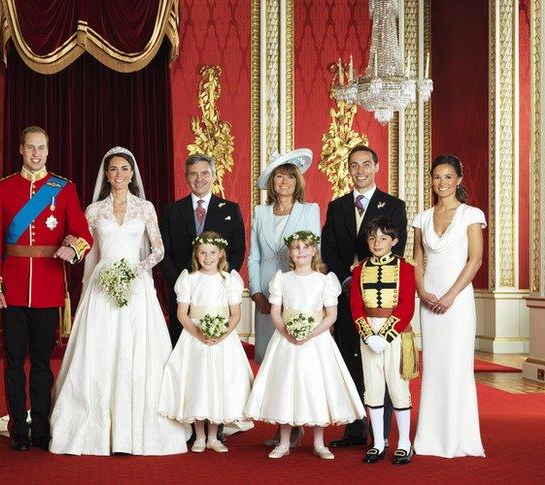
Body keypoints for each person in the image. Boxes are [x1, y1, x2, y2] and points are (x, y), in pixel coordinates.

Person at [49, 147, 187, 456]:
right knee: (99, 351)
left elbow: (159, 249)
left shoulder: (145, 208)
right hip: (101, 286)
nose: (119, 174)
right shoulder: (94, 210)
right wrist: (74, 250)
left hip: (137, 286)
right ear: (106, 174)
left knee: (136, 352)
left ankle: (136, 430)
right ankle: (94, 430)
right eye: (113, 169)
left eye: (125, 169)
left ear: (132, 173)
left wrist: (136, 270)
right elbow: (86, 248)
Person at [0, 126, 92, 451]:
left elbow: (83, 234)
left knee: (43, 364)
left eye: (41, 148)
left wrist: (73, 249)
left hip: (47, 288)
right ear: (21, 149)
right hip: (12, 288)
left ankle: (42, 429)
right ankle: (19, 429)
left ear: (47, 150)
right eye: (31, 148)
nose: (36, 154)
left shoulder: (64, 188)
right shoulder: (3, 189)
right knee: (14, 363)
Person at [243, 231, 365, 460]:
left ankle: (319, 442)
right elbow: (275, 312)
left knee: (315, 387)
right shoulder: (282, 279)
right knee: (285, 387)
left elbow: (331, 315)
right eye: (296, 247)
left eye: (305, 247)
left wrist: (310, 334)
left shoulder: (324, 280)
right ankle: (284, 442)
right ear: (289, 252)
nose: (301, 251)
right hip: (286, 341)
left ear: (313, 252)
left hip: (316, 342)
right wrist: (287, 332)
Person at [321, 145, 405, 448]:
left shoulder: (394, 206)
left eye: (366, 165)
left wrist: (365, 276)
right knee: (350, 360)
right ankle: (355, 430)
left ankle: (380, 433)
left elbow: (399, 247)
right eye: (354, 165)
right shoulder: (337, 206)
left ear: (377, 167)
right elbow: (328, 247)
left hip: (380, 299)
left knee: (379, 362)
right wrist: (347, 278)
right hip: (346, 295)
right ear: (348, 169)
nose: (360, 171)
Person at [412, 155, 486, 458]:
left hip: (457, 302)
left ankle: (459, 437)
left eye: (447, 177)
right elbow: (417, 260)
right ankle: (429, 438)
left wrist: (451, 295)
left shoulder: (471, 214)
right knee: (434, 367)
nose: (441, 183)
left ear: (458, 179)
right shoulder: (422, 218)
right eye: (436, 177)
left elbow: (475, 259)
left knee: (456, 366)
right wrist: (422, 291)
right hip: (429, 301)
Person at [157, 231, 253, 454]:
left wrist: (221, 334)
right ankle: (199, 435)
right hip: (195, 339)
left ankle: (214, 436)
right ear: (196, 255)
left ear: (221, 254)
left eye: (212, 252)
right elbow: (182, 314)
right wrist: (199, 334)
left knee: (219, 382)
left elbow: (235, 314)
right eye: (202, 253)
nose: (207, 257)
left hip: (222, 340)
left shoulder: (228, 280)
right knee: (197, 382)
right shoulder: (189, 280)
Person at [349, 216, 417, 465]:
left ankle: (404, 443)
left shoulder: (406, 267)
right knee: (373, 389)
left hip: (396, 334)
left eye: (383, 238)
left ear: (395, 241)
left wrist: (386, 336)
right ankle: (378, 443)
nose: (377, 242)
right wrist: (368, 335)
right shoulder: (359, 269)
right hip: (368, 334)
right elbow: (356, 305)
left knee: (399, 389)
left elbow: (407, 304)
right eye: (372, 237)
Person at [161, 154, 246, 346]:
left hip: (217, 295)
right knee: (182, 347)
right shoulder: (172, 211)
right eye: (193, 174)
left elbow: (238, 250)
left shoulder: (231, 210)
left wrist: (222, 281)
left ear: (214, 176)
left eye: (205, 173)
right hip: (182, 293)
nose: (199, 178)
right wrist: (180, 284)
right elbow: (164, 253)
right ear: (186, 177)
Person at [247, 149, 320, 363]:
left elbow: (317, 252)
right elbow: (254, 256)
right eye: (279, 176)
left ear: (297, 181)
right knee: (267, 356)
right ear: (272, 181)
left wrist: (312, 292)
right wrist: (256, 292)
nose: (285, 181)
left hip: (300, 291)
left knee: (295, 355)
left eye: (290, 176)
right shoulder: (260, 212)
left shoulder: (309, 210)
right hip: (266, 293)